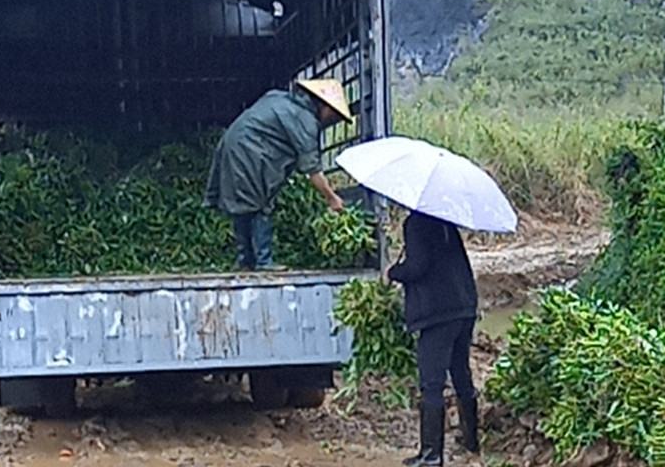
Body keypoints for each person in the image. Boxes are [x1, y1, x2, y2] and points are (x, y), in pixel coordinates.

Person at [204, 79, 351, 271]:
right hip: (250, 150)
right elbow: (311, 168)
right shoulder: (304, 119)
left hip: (233, 144)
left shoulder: (282, 100)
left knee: (243, 204)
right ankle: (263, 261)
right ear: (324, 105)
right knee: (261, 203)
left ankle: (245, 261)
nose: (333, 120)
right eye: (334, 114)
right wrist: (331, 198)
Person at [387, 210, 480, 465]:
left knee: (432, 382)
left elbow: (418, 266)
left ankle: (431, 455)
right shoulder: (446, 220)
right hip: (464, 306)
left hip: (437, 314)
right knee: (461, 372)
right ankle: (471, 440)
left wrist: (394, 272)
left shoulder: (416, 223)